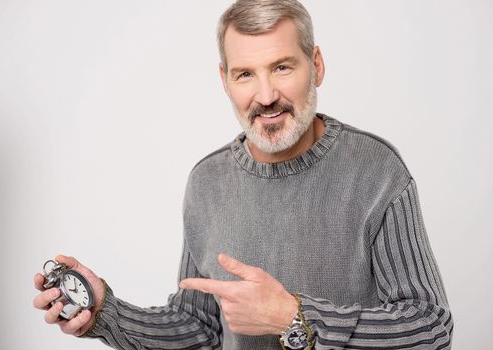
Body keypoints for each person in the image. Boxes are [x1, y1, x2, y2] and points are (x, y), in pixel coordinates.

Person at [33, 0, 453, 349]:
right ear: (225, 80)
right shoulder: (206, 183)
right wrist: (107, 312)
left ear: (317, 65)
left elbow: (431, 327)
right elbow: (200, 328)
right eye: (246, 74)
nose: (266, 96)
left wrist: (295, 317)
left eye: (283, 67)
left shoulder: (376, 170)